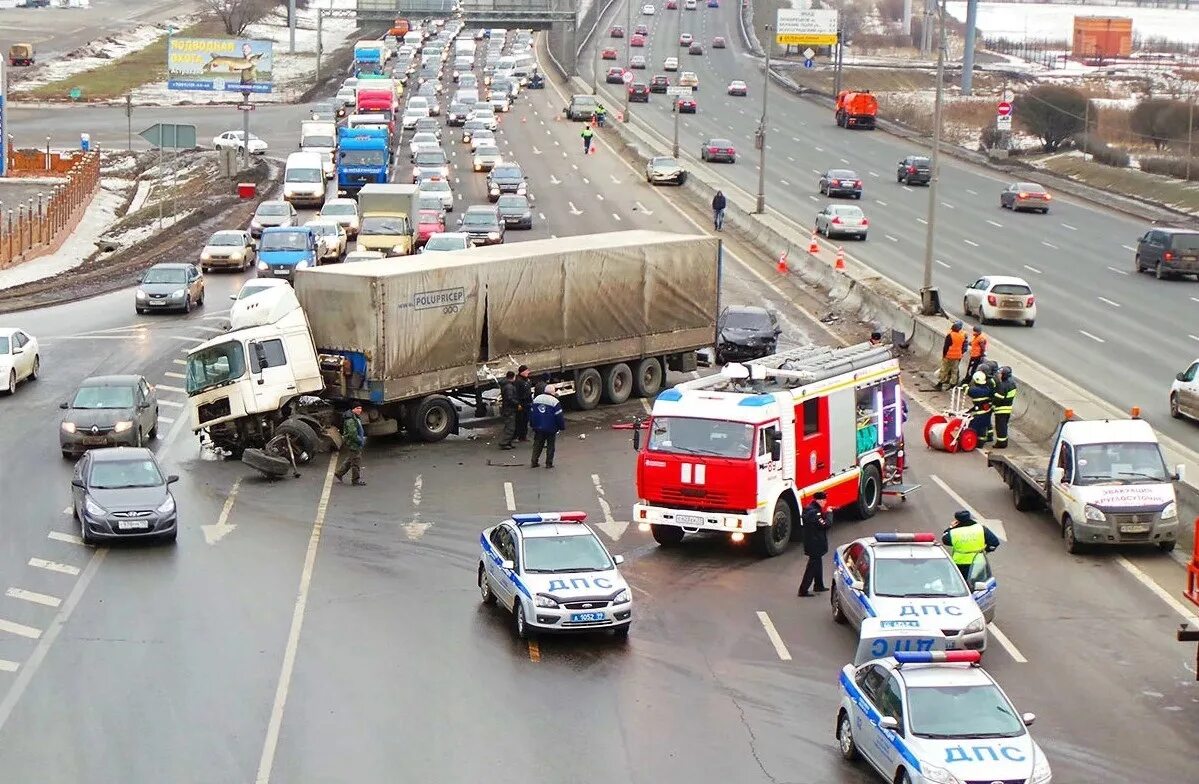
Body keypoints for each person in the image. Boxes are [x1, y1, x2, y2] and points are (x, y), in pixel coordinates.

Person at [941, 510, 1001, 582]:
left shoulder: (954, 532)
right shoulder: (981, 529)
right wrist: (986, 551)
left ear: (957, 521)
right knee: (978, 585)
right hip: (978, 563)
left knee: (962, 585)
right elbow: (994, 543)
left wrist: (950, 527)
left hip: (960, 564)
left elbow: (945, 540)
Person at [797, 492, 832, 596]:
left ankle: (819, 585)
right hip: (815, 544)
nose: (825, 502)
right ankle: (803, 590)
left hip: (812, 542)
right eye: (824, 500)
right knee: (812, 567)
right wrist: (829, 514)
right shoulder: (815, 513)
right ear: (819, 500)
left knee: (818, 563)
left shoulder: (809, 509)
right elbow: (826, 525)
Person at [529, 383, 566, 468]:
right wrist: (561, 427)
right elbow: (559, 416)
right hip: (551, 428)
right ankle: (549, 463)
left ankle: (534, 461)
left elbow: (532, 413)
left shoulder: (536, 399)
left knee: (537, 444)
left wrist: (532, 424)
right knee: (550, 446)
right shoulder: (555, 402)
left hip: (538, 427)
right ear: (553, 392)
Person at [335, 404, 367, 485]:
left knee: (351, 459)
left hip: (354, 442)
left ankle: (339, 473)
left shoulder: (354, 417)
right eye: (357, 408)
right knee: (356, 462)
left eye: (360, 408)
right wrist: (360, 441)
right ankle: (355, 480)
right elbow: (353, 434)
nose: (360, 410)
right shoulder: (350, 420)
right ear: (353, 409)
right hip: (354, 443)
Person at [935, 321, 967, 391]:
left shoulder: (950, 335)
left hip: (948, 356)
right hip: (957, 356)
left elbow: (946, 346)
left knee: (944, 370)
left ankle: (940, 383)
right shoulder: (962, 336)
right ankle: (953, 385)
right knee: (954, 371)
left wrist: (944, 355)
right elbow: (963, 347)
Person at [991, 366, 1018, 449]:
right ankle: (1003, 441)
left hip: (1001, 409)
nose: (998, 375)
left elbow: (998, 399)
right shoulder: (1013, 384)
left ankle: (1001, 443)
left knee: (1000, 427)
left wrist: (992, 404)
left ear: (1004, 375)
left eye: (1000, 374)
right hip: (1008, 408)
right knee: (1004, 426)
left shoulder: (1002, 385)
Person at [966, 370, 994, 444]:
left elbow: (967, 390)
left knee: (972, 428)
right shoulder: (987, 389)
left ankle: (972, 443)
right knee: (983, 429)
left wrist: (964, 385)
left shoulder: (975, 390)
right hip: (987, 412)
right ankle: (981, 442)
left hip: (979, 414)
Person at [498, 371, 518, 449]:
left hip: (507, 409)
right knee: (510, 427)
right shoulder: (509, 387)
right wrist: (517, 403)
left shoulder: (506, 385)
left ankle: (508, 442)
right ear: (513, 377)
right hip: (509, 409)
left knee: (510, 426)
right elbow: (510, 398)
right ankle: (504, 443)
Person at [513, 365, 533, 442]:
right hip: (521, 403)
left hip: (527, 403)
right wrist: (518, 404)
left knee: (525, 420)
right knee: (519, 420)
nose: (528, 372)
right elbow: (516, 393)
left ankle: (523, 436)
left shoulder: (527, 380)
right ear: (522, 372)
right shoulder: (518, 381)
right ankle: (516, 436)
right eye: (527, 371)